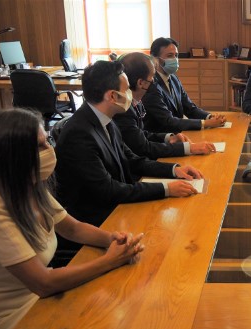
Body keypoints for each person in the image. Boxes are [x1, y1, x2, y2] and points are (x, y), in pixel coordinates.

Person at [0, 109, 144, 329]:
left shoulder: (30, 186)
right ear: (13, 157)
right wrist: (110, 261)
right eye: (40, 146)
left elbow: (73, 229)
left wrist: (113, 239)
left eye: (47, 141)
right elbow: (43, 283)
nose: (50, 150)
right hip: (5, 321)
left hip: (38, 301)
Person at [55, 60, 202, 231]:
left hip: (118, 206)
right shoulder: (79, 134)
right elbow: (108, 190)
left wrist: (174, 170)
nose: (131, 94)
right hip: (98, 221)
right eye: (126, 89)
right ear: (112, 96)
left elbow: (133, 160)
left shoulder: (105, 119)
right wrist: (166, 188)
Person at [113, 52, 217, 159]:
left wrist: (169, 137)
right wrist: (189, 148)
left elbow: (142, 134)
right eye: (152, 76)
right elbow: (143, 148)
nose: (154, 80)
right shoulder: (123, 110)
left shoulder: (136, 102)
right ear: (141, 83)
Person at [142, 37, 226, 132]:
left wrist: (210, 117)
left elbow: (189, 108)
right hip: (161, 140)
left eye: (176, 55)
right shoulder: (151, 85)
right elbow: (168, 120)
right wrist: (205, 123)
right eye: (170, 55)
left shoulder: (173, 78)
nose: (174, 59)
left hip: (179, 135)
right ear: (155, 59)